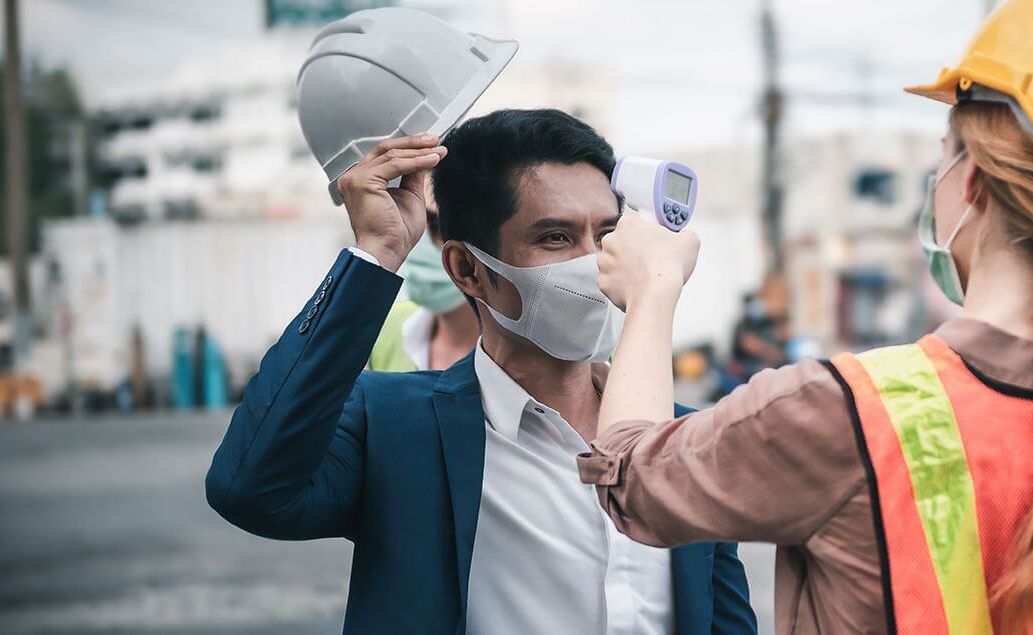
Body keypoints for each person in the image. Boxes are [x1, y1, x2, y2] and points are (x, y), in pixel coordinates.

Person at [580, 1, 1033, 633]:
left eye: (943, 158)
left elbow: (633, 480)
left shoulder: (847, 412)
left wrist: (651, 291)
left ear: (971, 179)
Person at [206, 109, 755, 634]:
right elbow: (250, 488)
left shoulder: (683, 441)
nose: (595, 263)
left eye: (607, 235)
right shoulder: (395, 426)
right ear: (467, 269)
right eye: (555, 238)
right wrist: (375, 254)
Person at [369, 180, 480, 372]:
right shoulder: (380, 327)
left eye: (437, 225)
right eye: (408, 215)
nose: (418, 235)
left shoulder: (528, 352)